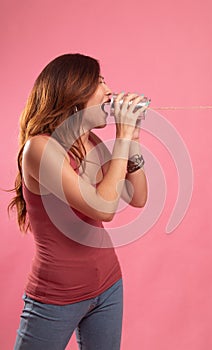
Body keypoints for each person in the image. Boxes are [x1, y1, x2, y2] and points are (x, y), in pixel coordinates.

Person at [9, 53, 148, 350]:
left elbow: (137, 197)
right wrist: (122, 136)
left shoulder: (91, 143)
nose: (109, 90)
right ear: (75, 92)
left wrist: (132, 138)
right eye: (99, 82)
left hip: (108, 285)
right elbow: (104, 207)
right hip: (57, 296)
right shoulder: (40, 148)